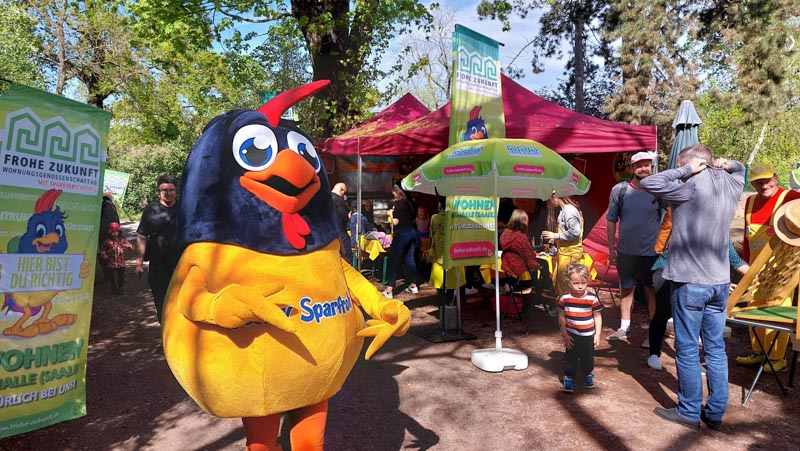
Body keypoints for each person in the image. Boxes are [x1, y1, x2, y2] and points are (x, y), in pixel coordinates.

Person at [640, 145, 744, 430]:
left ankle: (688, 412)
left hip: (690, 281)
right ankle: (715, 413)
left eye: (680, 164)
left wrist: (686, 170)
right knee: (715, 349)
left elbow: (649, 182)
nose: (679, 169)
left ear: (694, 164)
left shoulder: (687, 187)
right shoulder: (732, 185)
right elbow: (740, 170)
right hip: (720, 282)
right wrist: (730, 163)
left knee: (686, 348)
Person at [735, 163, 800, 373]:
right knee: (752, 307)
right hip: (754, 269)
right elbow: (747, 236)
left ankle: (776, 358)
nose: (764, 186)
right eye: (758, 182)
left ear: (776, 178)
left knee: (775, 310)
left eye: (767, 181)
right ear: (752, 184)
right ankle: (759, 352)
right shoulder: (750, 201)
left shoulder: (791, 198)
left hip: (782, 269)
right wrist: (744, 263)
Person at [646, 238, 749, 371]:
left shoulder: (722, 233)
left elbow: (737, 262)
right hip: (668, 270)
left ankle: (694, 361)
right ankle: (654, 353)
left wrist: (759, 276)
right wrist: (719, 282)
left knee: (700, 316)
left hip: (700, 275)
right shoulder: (689, 229)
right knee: (664, 312)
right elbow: (691, 260)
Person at [605, 151, 661, 344]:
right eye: (639, 165)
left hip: (651, 252)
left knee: (652, 290)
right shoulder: (620, 190)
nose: (643, 168)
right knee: (626, 288)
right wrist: (611, 248)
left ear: (651, 167)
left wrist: (665, 245)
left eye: (647, 165)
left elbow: (670, 217)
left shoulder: (659, 190)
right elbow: (611, 219)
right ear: (631, 168)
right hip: (626, 251)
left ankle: (653, 333)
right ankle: (624, 327)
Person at [136, 174, 179, 323]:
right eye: (164, 190)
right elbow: (142, 236)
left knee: (181, 302)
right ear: (158, 192)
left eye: (171, 190)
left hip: (181, 264)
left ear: (176, 191)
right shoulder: (151, 210)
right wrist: (139, 263)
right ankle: (165, 333)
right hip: (158, 266)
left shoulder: (184, 208)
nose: (168, 193)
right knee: (162, 304)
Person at [558, 262, 603, 393]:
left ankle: (587, 374)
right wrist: (564, 334)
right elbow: (561, 316)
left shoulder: (592, 298)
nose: (580, 286)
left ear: (588, 281)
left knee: (588, 357)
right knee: (570, 358)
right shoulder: (565, 298)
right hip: (571, 334)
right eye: (576, 283)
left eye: (583, 283)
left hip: (588, 335)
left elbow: (597, 316)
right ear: (568, 282)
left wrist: (597, 334)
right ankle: (569, 377)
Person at [541, 194, 583, 297]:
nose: (549, 203)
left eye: (549, 199)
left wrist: (555, 235)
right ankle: (561, 303)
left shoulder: (569, 211)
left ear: (554, 197)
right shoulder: (564, 210)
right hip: (564, 253)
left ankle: (567, 304)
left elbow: (575, 232)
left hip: (570, 253)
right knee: (557, 279)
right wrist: (556, 238)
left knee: (565, 281)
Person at [382, 185, 418, 299]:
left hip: (401, 234)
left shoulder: (398, 204)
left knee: (394, 260)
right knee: (410, 260)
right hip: (412, 233)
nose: (393, 195)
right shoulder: (411, 203)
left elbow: (396, 222)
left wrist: (390, 214)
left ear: (396, 192)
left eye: (393, 193)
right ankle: (413, 285)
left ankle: (389, 290)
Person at [499, 208, 542, 282]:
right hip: (520, 264)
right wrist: (535, 253)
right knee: (544, 263)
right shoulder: (521, 236)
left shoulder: (504, 234)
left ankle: (535, 284)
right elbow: (529, 254)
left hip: (507, 263)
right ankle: (542, 285)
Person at [100, 222, 133, 295]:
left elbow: (131, 247)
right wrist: (104, 255)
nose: (114, 233)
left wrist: (127, 246)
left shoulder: (122, 240)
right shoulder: (107, 242)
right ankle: (113, 288)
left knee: (121, 277)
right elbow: (103, 250)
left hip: (121, 263)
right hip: (111, 262)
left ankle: (120, 288)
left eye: (116, 232)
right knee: (112, 277)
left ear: (119, 232)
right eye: (112, 232)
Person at [99, 187, 120, 283]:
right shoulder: (110, 204)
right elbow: (116, 219)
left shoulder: (103, 204)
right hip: (112, 231)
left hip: (104, 232)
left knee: (103, 252)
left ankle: (109, 275)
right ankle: (113, 274)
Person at [330, 182, 352, 264]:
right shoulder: (339, 200)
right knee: (347, 255)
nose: (344, 195)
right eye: (344, 192)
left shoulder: (326, 198)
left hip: (329, 233)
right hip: (341, 231)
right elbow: (343, 216)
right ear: (341, 189)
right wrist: (348, 216)